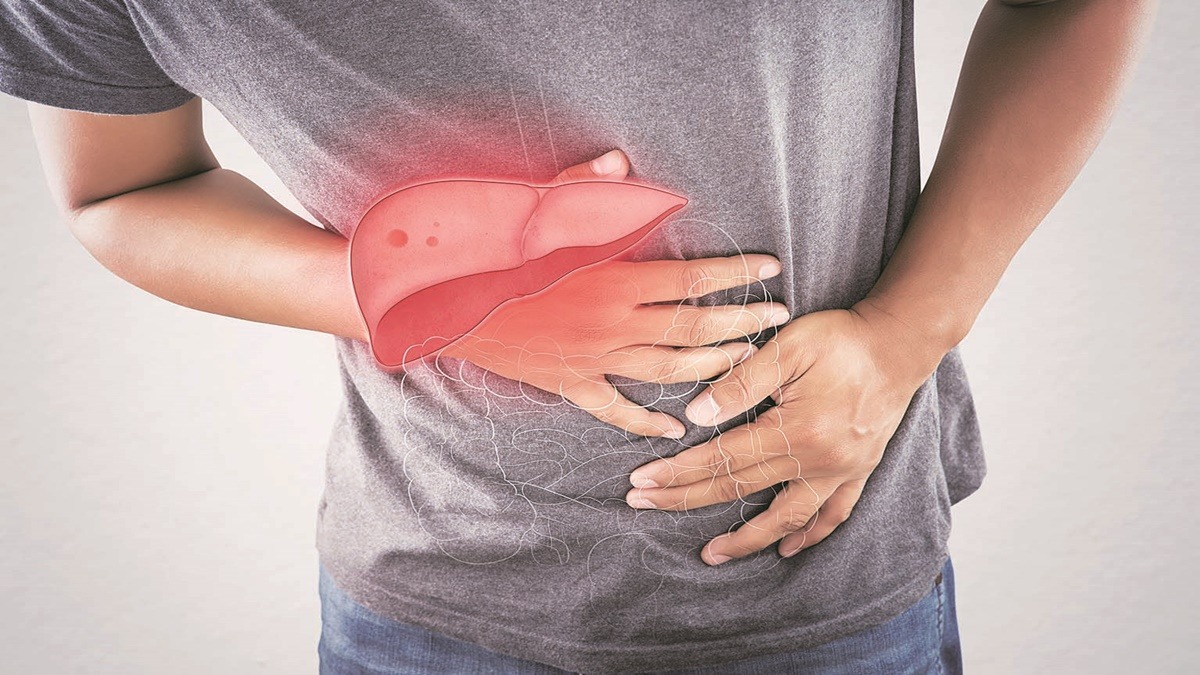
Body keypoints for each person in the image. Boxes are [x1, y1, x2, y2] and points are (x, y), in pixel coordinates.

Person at [0, 1, 1154, 673]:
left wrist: (908, 332)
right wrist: (431, 300)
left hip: (823, 598)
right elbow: (122, 191)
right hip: (430, 602)